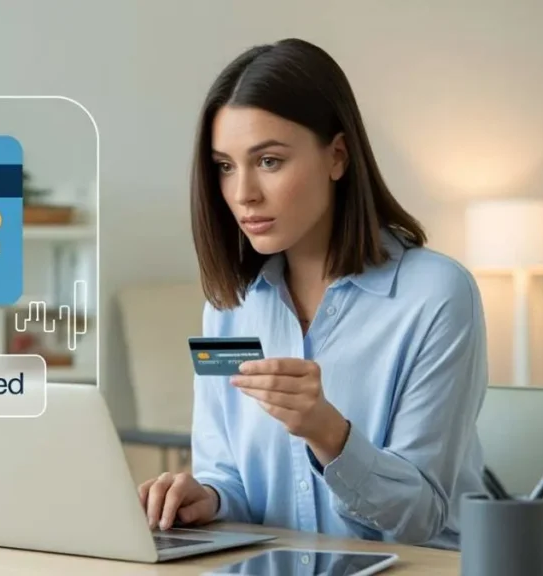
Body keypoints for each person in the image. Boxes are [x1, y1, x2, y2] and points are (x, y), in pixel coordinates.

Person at [137, 38, 488, 550]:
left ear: (337, 156)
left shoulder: (436, 296)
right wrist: (207, 497)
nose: (243, 194)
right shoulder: (229, 308)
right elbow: (227, 475)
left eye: (269, 161)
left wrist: (328, 433)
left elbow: (421, 515)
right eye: (225, 166)